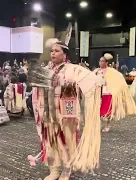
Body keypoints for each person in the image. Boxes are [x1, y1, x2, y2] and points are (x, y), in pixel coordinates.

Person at [28, 38, 102, 180]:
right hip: (48, 113)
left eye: (56, 51)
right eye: (51, 51)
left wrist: (74, 84)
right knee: (50, 142)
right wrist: (38, 110)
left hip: (66, 114)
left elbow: (93, 82)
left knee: (66, 142)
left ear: (65, 54)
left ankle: (67, 170)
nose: (53, 54)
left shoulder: (73, 70)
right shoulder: (45, 71)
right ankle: (54, 169)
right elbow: (36, 93)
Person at [92, 54, 136, 133]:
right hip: (98, 93)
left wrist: (110, 85)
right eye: (99, 61)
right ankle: (98, 125)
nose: (100, 63)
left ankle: (107, 125)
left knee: (107, 111)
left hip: (107, 92)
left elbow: (119, 80)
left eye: (102, 61)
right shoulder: (96, 71)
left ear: (106, 62)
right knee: (97, 110)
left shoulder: (111, 71)